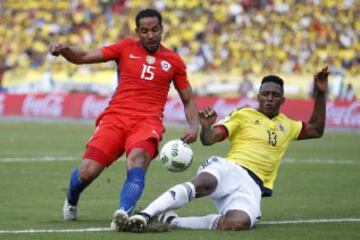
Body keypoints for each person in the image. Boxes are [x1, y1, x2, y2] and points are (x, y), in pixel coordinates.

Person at [49, 8, 199, 231]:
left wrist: (194, 126)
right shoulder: (124, 48)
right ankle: (72, 199)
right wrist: (65, 50)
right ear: (137, 31)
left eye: (155, 30)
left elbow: (187, 99)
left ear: (162, 30)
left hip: (148, 122)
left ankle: (123, 213)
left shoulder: (174, 61)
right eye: (145, 31)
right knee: (87, 172)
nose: (150, 35)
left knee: (137, 160)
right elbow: (82, 57)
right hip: (116, 118)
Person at [128, 67, 329, 232]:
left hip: (253, 186)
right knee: (204, 183)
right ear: (258, 97)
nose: (269, 99)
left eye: (275, 95)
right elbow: (210, 139)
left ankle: (171, 221)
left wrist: (320, 92)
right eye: (265, 94)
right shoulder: (243, 115)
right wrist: (206, 127)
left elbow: (317, 129)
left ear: (283, 101)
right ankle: (144, 214)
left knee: (238, 223)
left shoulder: (288, 125)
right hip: (230, 168)